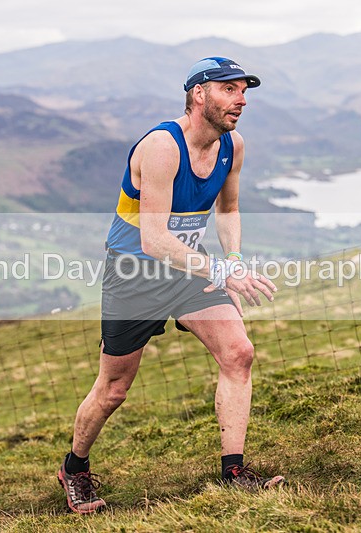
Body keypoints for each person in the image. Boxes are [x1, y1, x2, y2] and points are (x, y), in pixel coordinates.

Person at [57, 57, 284, 514]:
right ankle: (74, 468)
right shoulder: (162, 146)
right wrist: (223, 272)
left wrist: (233, 259)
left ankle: (234, 471)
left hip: (187, 271)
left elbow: (228, 209)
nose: (241, 100)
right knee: (113, 389)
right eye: (229, 89)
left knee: (238, 353)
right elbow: (155, 240)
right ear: (199, 94)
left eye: (244, 91)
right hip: (134, 274)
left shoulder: (232, 146)